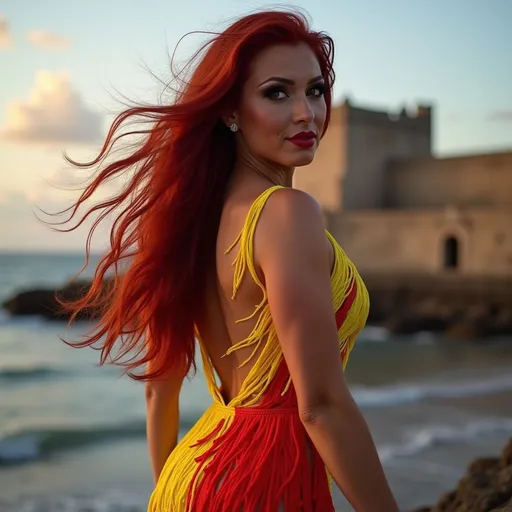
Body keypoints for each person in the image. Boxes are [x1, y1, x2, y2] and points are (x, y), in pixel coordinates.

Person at [59, 9, 399, 512]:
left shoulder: (191, 223)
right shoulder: (287, 214)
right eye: (277, 92)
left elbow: (159, 392)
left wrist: (175, 492)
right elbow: (321, 406)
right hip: (261, 484)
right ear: (230, 111)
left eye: (316, 90)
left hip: (191, 476)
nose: (306, 112)